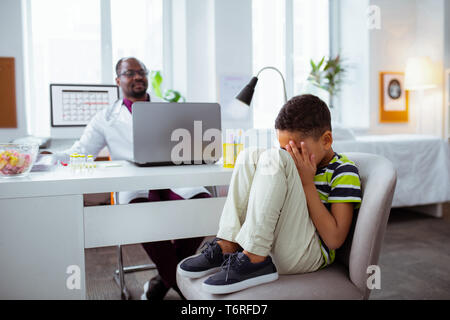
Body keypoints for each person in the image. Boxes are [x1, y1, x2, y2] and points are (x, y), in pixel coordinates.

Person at [52, 57, 208, 299]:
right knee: (137, 215)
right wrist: (48, 158)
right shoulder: (105, 118)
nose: (137, 76)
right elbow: (80, 152)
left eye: (141, 71)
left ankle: (163, 280)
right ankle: (183, 287)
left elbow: (191, 144)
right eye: (129, 73)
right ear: (118, 80)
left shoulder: (169, 109)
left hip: (172, 176)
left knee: (202, 201)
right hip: (133, 185)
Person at [178, 94, 362, 294]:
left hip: (308, 255)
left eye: (295, 150)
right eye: (284, 148)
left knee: (275, 158)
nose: (288, 155)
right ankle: (229, 244)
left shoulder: (343, 171)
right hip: (275, 246)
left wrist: (307, 184)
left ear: (326, 140)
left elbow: (335, 239)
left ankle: (255, 259)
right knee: (250, 155)